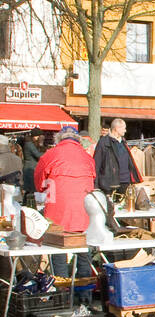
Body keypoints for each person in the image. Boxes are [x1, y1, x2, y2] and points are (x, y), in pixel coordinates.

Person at [34, 125, 97, 306]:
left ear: (59, 139)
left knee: (58, 254)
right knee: (83, 254)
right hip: (84, 213)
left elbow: (39, 182)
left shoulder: (50, 155)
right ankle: (84, 298)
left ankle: (61, 297)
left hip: (57, 214)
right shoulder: (87, 157)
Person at [93, 117, 137, 197]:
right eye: (124, 128)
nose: (125, 131)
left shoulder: (123, 142)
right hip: (109, 183)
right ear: (117, 128)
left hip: (125, 182)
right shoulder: (104, 142)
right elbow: (97, 164)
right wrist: (96, 185)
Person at [21, 133, 43, 199]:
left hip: (29, 167)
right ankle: (28, 204)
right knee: (30, 189)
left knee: (29, 189)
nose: (39, 137)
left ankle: (27, 204)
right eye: (38, 136)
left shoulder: (29, 143)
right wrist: (47, 153)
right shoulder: (30, 144)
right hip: (30, 168)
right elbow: (38, 155)